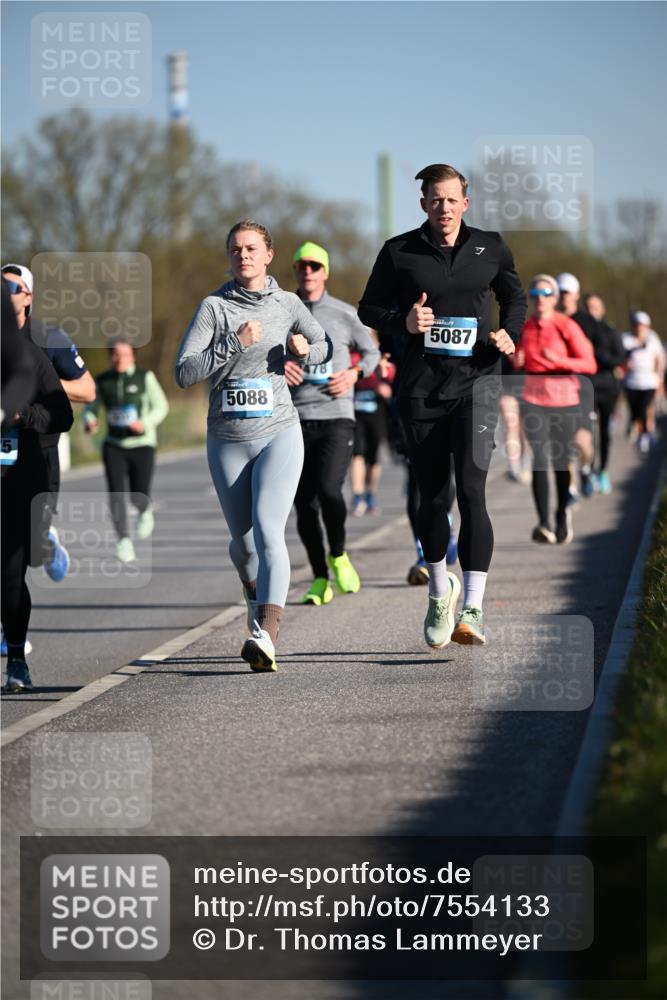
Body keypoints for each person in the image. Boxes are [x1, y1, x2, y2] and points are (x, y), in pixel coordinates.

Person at [359, 163, 526, 647]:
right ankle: (439, 589)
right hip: (422, 389)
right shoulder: (399, 251)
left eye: (452, 199)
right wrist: (404, 321)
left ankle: (471, 607)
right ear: (423, 204)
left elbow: (514, 298)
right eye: (435, 199)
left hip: (477, 384)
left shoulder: (490, 247)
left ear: (465, 203)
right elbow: (369, 308)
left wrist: (508, 334)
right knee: (433, 498)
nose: (444, 208)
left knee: (472, 493)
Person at [175, 220, 331, 672]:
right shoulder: (213, 308)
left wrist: (306, 350)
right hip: (227, 438)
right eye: (235, 249)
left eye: (251, 248)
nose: (243, 255)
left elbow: (323, 344)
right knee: (244, 546)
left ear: (268, 255)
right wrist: (233, 342)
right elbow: (184, 372)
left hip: (279, 430)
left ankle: (266, 633)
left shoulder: (288, 303)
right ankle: (252, 590)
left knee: (268, 530)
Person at [284, 241, 379, 606]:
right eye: (301, 266)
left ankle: (338, 553)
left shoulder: (343, 313)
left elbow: (371, 352)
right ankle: (320, 579)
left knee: (328, 490)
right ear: (295, 271)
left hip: (336, 416)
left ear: (325, 272)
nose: (307, 271)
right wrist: (281, 365)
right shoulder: (281, 312)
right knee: (304, 505)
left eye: (314, 265)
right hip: (293, 419)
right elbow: (258, 357)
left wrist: (354, 373)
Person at [2, 263, 96, 586]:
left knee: (31, 552)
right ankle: (11, 635)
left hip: (38, 452)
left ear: (28, 297)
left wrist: (47, 386)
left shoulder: (50, 338)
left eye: (11, 288)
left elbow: (88, 389)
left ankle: (46, 542)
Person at [1, 277, 74, 692]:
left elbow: (62, 414)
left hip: (17, 476)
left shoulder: (28, 355)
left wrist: (23, 417)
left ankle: (15, 660)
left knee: (9, 576)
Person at [513, 275, 597, 544]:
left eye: (546, 293)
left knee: (561, 462)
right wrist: (517, 360)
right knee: (539, 459)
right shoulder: (525, 328)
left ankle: (561, 516)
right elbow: (518, 362)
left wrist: (559, 359)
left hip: (564, 400)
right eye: (534, 293)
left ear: (555, 298)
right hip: (533, 399)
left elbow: (589, 364)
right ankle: (544, 523)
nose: (540, 298)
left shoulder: (566, 326)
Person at [84, 340, 169, 563]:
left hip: (142, 444)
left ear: (133, 356)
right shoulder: (103, 380)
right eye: (115, 355)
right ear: (110, 356)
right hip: (113, 445)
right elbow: (90, 407)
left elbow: (161, 406)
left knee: (137, 494)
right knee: (115, 494)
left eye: (125, 355)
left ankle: (143, 510)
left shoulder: (144, 377)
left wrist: (145, 422)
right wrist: (90, 420)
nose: (120, 359)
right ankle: (123, 541)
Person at [555, 272, 597, 498]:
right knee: (563, 441)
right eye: (560, 292)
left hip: (581, 388)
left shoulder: (586, 321)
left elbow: (591, 357)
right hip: (555, 390)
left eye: (567, 292)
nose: (563, 297)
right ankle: (570, 489)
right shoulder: (549, 318)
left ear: (576, 295)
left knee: (582, 442)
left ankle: (586, 468)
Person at [582, 293, 625, 492]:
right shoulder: (579, 331)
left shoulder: (611, 331)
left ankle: (603, 471)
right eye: (589, 307)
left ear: (602, 309)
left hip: (607, 388)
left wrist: (596, 352)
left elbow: (619, 359)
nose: (592, 311)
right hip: (586, 387)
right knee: (586, 434)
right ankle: (588, 472)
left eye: (596, 307)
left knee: (604, 433)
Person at [349, 338, 391, 518]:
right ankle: (358, 496)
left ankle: (370, 494)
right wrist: (373, 384)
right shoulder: (352, 357)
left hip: (377, 413)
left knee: (373, 457)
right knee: (357, 454)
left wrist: (384, 382)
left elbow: (391, 380)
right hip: (355, 413)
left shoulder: (383, 359)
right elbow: (348, 376)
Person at [621, 310, 666, 453]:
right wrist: (625, 365)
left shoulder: (653, 339)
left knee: (646, 407)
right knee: (635, 410)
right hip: (631, 381)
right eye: (637, 324)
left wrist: (660, 379)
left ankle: (645, 434)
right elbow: (619, 359)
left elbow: (659, 359)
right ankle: (639, 430)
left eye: (642, 325)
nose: (639, 328)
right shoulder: (626, 339)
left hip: (649, 381)